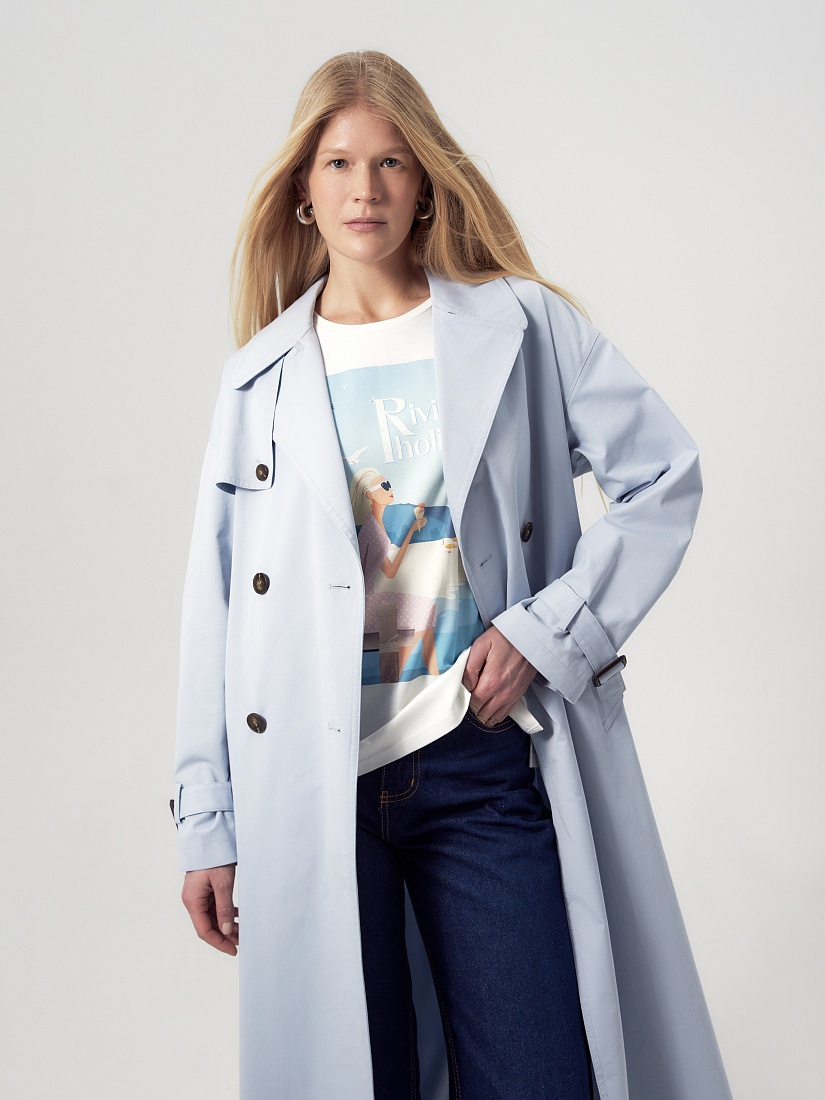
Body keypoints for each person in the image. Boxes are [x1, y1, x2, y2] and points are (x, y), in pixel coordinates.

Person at [171, 50, 732, 1100]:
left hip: (478, 760)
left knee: (541, 1074)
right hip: (312, 785)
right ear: (303, 190)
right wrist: (208, 820)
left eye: (390, 161)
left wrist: (544, 633)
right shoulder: (258, 383)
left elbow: (663, 475)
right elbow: (216, 611)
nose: (365, 188)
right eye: (339, 163)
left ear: (426, 181)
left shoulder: (520, 325)